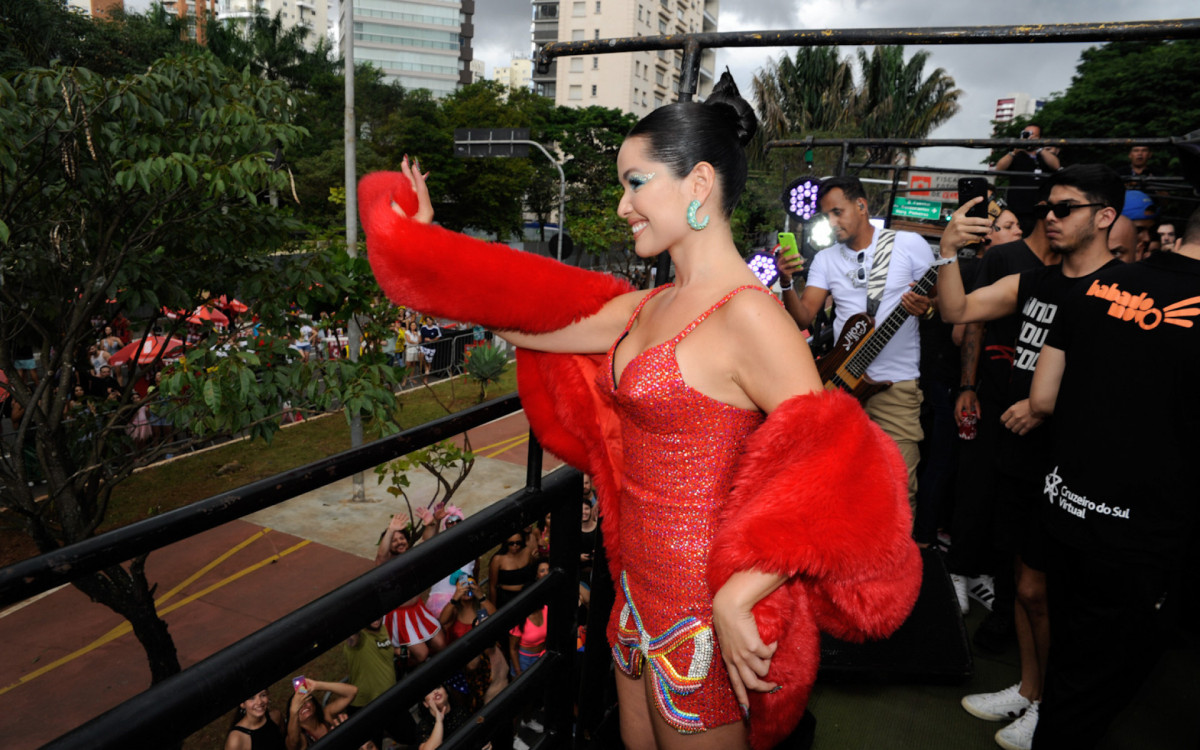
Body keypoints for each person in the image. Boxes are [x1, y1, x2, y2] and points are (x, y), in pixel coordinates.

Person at [358, 72, 920, 750]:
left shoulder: (750, 316)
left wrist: (739, 596)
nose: (623, 206)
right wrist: (429, 244)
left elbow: (844, 466)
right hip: (634, 599)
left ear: (699, 184)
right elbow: (524, 317)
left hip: (706, 623)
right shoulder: (646, 306)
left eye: (635, 182)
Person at [937, 164, 1124, 750]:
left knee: (1056, 593)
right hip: (1020, 453)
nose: (1050, 215)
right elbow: (956, 312)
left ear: (1104, 216)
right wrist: (946, 251)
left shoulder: (1125, 292)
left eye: (1065, 207)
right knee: (1023, 583)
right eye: (1048, 206)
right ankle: (1030, 689)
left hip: (1075, 468)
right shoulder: (1035, 282)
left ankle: (1053, 708)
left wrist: (1046, 408)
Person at [1025, 206, 1200, 749]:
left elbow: (1042, 396)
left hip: (1067, 510)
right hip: (1143, 541)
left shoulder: (1100, 285)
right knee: (1093, 693)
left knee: (1073, 667)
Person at [775, 174, 934, 512]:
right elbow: (803, 318)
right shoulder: (826, 259)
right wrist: (787, 282)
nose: (832, 223)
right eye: (826, 216)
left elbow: (938, 301)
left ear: (861, 206)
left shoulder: (908, 245)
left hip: (896, 385)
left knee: (899, 485)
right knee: (835, 481)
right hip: (841, 383)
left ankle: (894, 561)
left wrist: (928, 307)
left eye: (837, 212)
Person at [995, 124, 1062, 236]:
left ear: (1039, 138)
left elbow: (1056, 166)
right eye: (1026, 134)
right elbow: (999, 169)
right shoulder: (1016, 155)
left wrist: (1039, 147)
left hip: (1041, 208)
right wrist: (1015, 150)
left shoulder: (1044, 155)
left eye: (1032, 135)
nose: (1028, 138)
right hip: (1018, 208)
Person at [285, 677, 358, 749]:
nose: (303, 706)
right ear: (292, 716)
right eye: (299, 706)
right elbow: (293, 742)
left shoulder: (326, 715)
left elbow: (352, 692)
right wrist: (293, 710)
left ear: (314, 704)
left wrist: (317, 685)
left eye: (306, 701)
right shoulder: (302, 739)